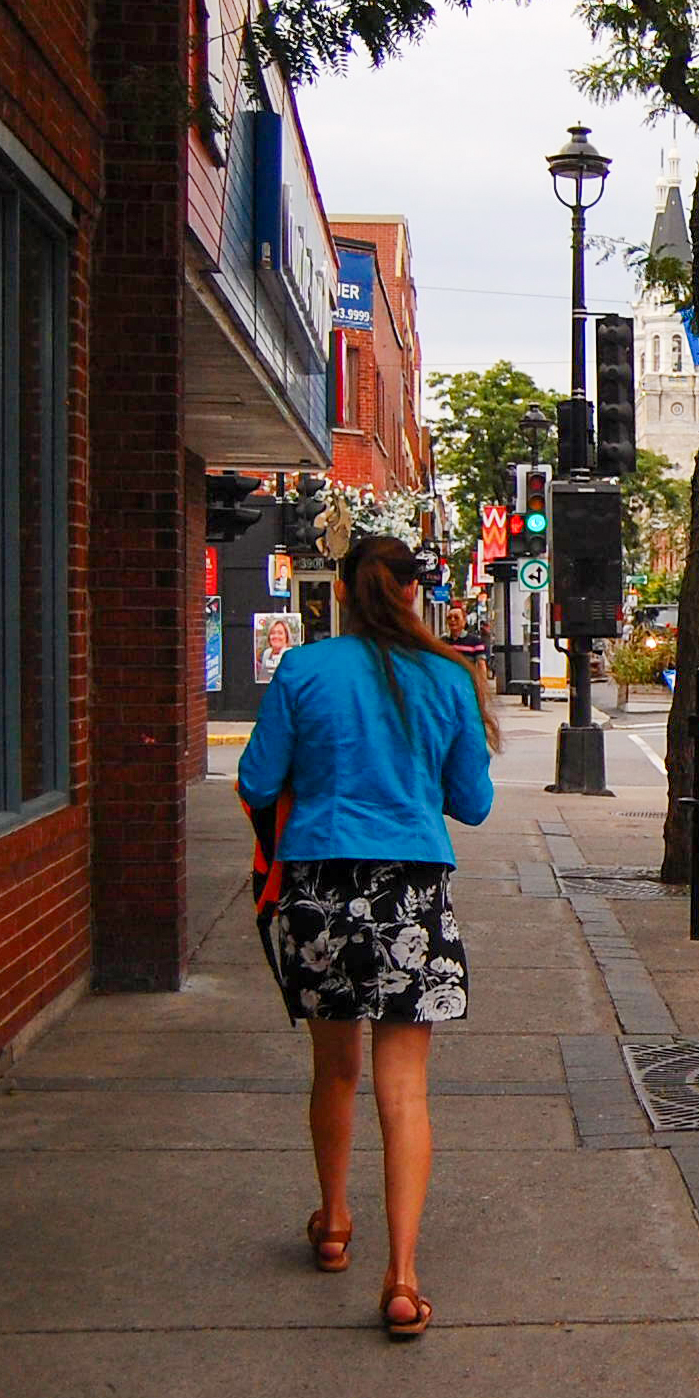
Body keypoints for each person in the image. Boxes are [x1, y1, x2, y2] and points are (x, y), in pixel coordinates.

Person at [238, 535, 499, 1338]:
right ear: (416, 593)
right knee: (404, 1088)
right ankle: (403, 1275)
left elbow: (254, 779)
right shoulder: (449, 677)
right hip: (410, 891)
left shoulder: (306, 670)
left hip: (320, 886)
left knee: (335, 1070)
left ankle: (336, 1222)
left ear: (344, 592)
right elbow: (474, 803)